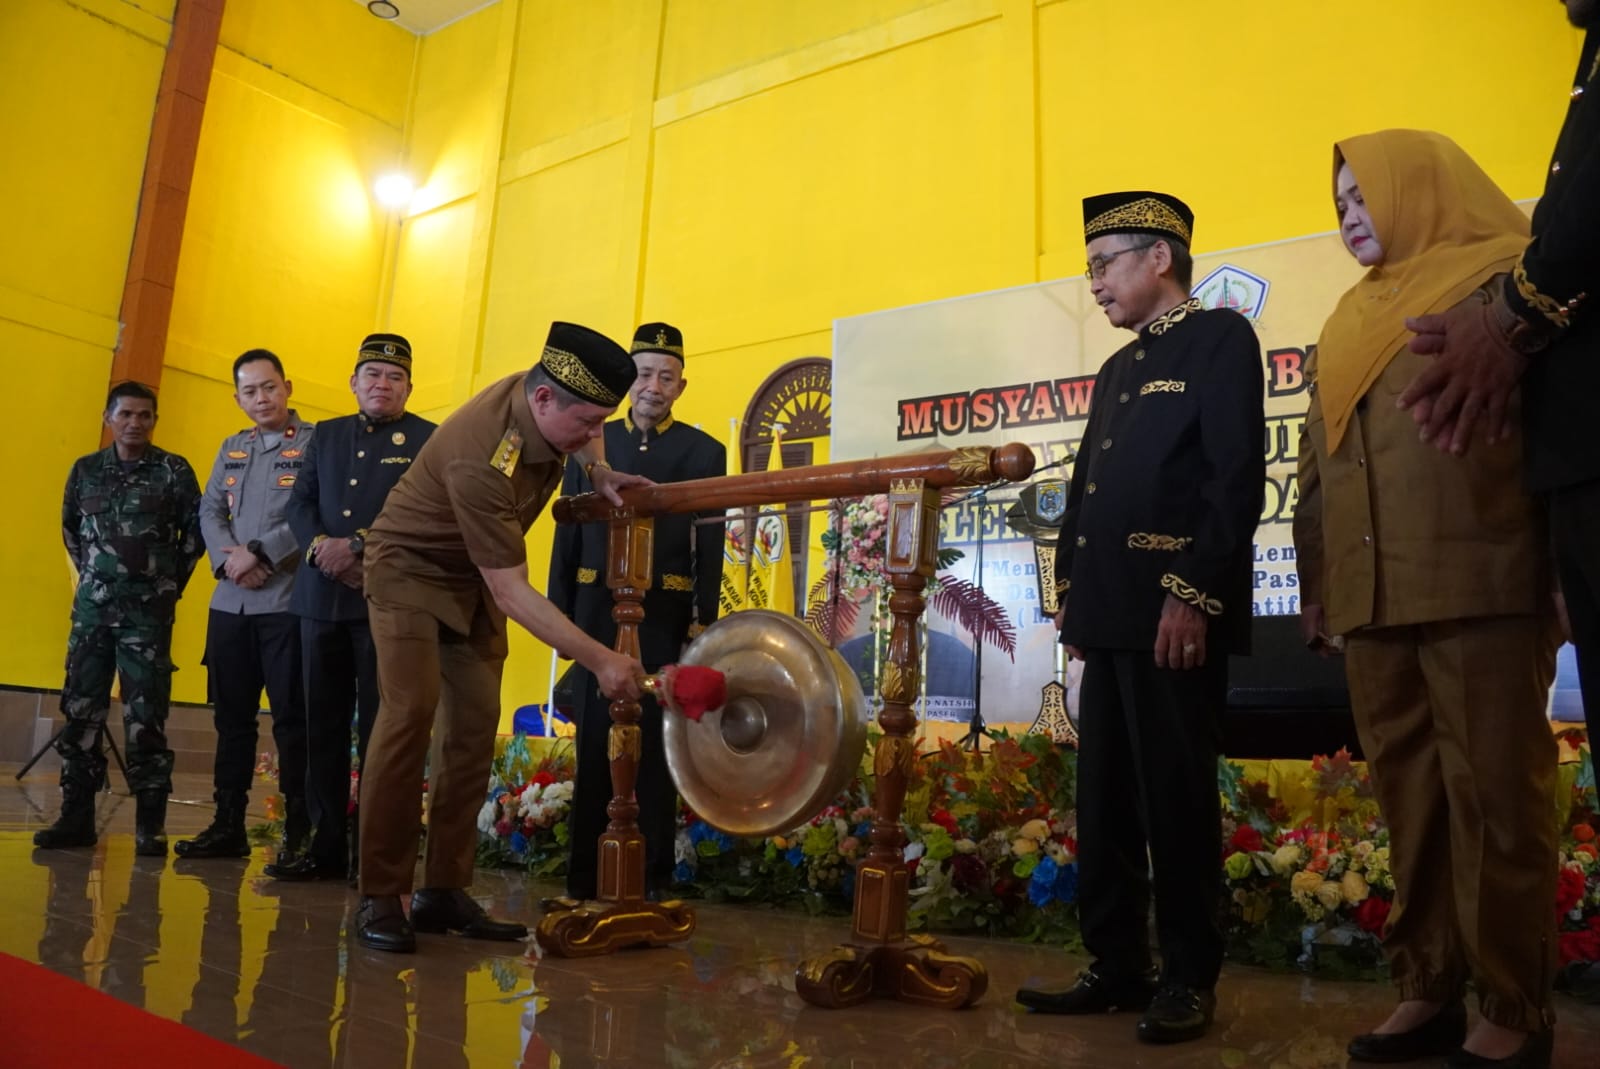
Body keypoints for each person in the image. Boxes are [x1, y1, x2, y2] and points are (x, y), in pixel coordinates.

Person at [1295, 130, 1561, 1069]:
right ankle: (1427, 989)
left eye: (1365, 196)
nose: (1351, 218)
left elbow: (1557, 431)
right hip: (1371, 592)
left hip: (1484, 571)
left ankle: (1514, 1004)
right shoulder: (1344, 317)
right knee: (1407, 795)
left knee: (1494, 794)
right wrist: (1320, 575)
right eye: (1339, 206)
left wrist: (1564, 570)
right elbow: (1314, 461)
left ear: (1422, 188)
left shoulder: (1507, 285)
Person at [1015, 192, 1265, 1045]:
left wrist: (1192, 593)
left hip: (1171, 615)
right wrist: (1078, 601)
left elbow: (1235, 478)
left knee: (1176, 798)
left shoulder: (1221, 340)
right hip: (1113, 612)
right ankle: (1117, 963)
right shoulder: (1122, 368)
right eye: (1089, 267)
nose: (1094, 283)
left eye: (1104, 262)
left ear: (1160, 257)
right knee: (1106, 801)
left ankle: (1189, 974)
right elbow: (1090, 488)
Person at [354, 321, 650, 954]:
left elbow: (585, 434)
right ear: (544, 401)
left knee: (473, 726)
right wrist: (603, 660)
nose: (595, 434)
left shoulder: (546, 397)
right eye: (588, 422)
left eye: (604, 421)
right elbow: (514, 592)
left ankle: (442, 892)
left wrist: (598, 472)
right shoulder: (480, 454)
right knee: (409, 715)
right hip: (409, 570)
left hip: (475, 577)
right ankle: (381, 893)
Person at [547, 322, 727, 901]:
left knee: (653, 741)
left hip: (663, 613)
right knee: (595, 738)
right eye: (644, 373)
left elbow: (712, 540)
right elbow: (566, 531)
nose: (653, 385)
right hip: (594, 609)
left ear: (681, 385)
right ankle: (584, 873)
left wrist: (701, 617)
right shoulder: (591, 441)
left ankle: (649, 876)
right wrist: (558, 613)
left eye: (666, 376)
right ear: (628, 380)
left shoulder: (704, 451)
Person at [266, 333, 437, 883]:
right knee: (323, 725)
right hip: (319, 598)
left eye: (394, 377)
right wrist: (320, 546)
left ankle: (375, 850)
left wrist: (358, 544)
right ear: (354, 382)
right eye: (372, 375)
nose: (381, 385)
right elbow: (300, 503)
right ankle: (324, 845)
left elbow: (426, 514)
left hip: (384, 602)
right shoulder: (328, 435)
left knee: (383, 732)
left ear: (409, 386)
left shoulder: (426, 440)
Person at [33, 382, 204, 855]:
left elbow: (196, 535)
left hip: (147, 619)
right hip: (91, 616)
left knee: (146, 719)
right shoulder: (86, 470)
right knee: (82, 713)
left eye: (145, 415)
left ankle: (151, 824)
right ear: (109, 416)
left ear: (154, 420)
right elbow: (71, 530)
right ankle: (76, 818)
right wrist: (97, 577)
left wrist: (165, 587)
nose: (135, 422)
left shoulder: (173, 471)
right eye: (126, 413)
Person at [177, 350, 313, 860]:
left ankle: (299, 833)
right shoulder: (232, 448)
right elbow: (210, 508)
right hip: (230, 604)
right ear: (237, 398)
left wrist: (262, 554)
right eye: (250, 391)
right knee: (231, 720)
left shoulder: (314, 445)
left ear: (287, 386)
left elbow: (311, 512)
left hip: (285, 603)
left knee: (290, 721)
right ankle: (226, 823)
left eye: (269, 387)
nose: (261, 398)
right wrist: (230, 559)